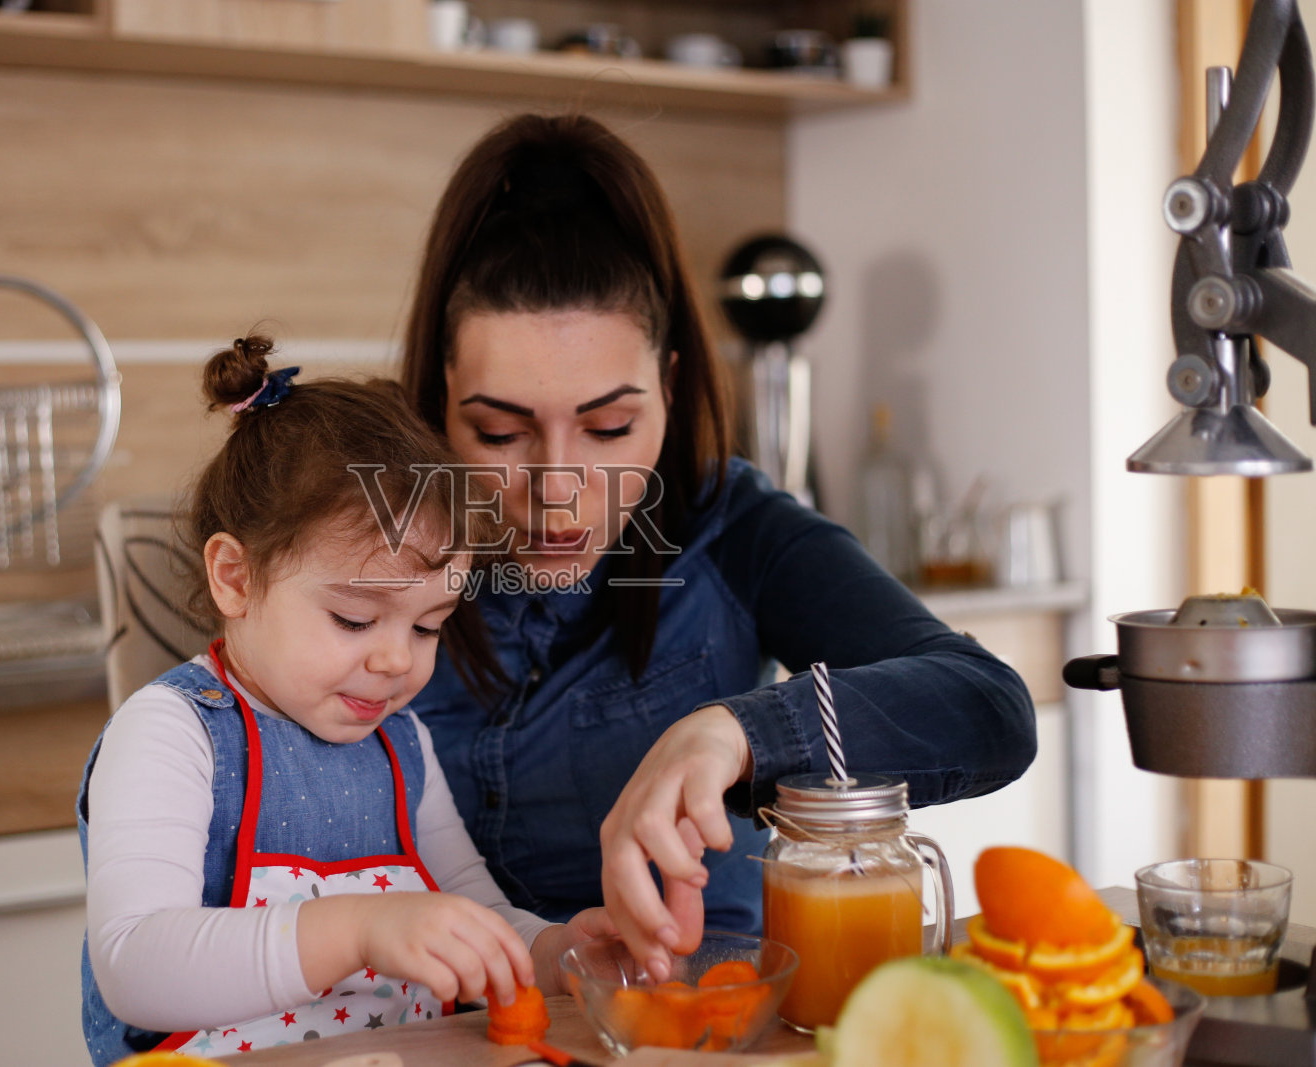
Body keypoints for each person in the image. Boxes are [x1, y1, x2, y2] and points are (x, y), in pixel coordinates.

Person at [399, 113, 1038, 981]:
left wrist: (734, 732)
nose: (556, 487)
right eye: (500, 432)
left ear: (666, 389)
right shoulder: (374, 542)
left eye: (609, 426)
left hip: (703, 1023)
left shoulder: (729, 525)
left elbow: (990, 707)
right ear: (441, 399)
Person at [76, 334, 609, 1065]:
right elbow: (133, 962)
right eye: (354, 619)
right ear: (235, 577)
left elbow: (471, 912)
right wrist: (358, 928)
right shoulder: (172, 732)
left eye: (429, 625)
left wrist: (552, 952)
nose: (396, 659)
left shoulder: (401, 744)